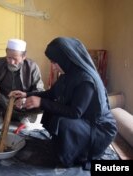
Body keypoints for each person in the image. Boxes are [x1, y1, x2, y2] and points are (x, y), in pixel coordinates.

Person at [9, 37, 117, 169]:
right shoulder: (68, 74)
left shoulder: (86, 80)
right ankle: (64, 145)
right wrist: (27, 94)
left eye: (55, 62)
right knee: (50, 110)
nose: (53, 67)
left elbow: (75, 112)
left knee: (63, 121)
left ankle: (75, 155)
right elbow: (51, 94)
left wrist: (41, 102)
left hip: (98, 129)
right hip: (83, 120)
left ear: (66, 59)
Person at [0, 39, 44, 131]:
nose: (11, 62)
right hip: (2, 100)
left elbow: (39, 90)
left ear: (23, 56)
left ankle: (24, 117)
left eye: (15, 59)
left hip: (22, 104)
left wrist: (26, 99)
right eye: (9, 57)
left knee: (44, 100)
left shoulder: (32, 67)